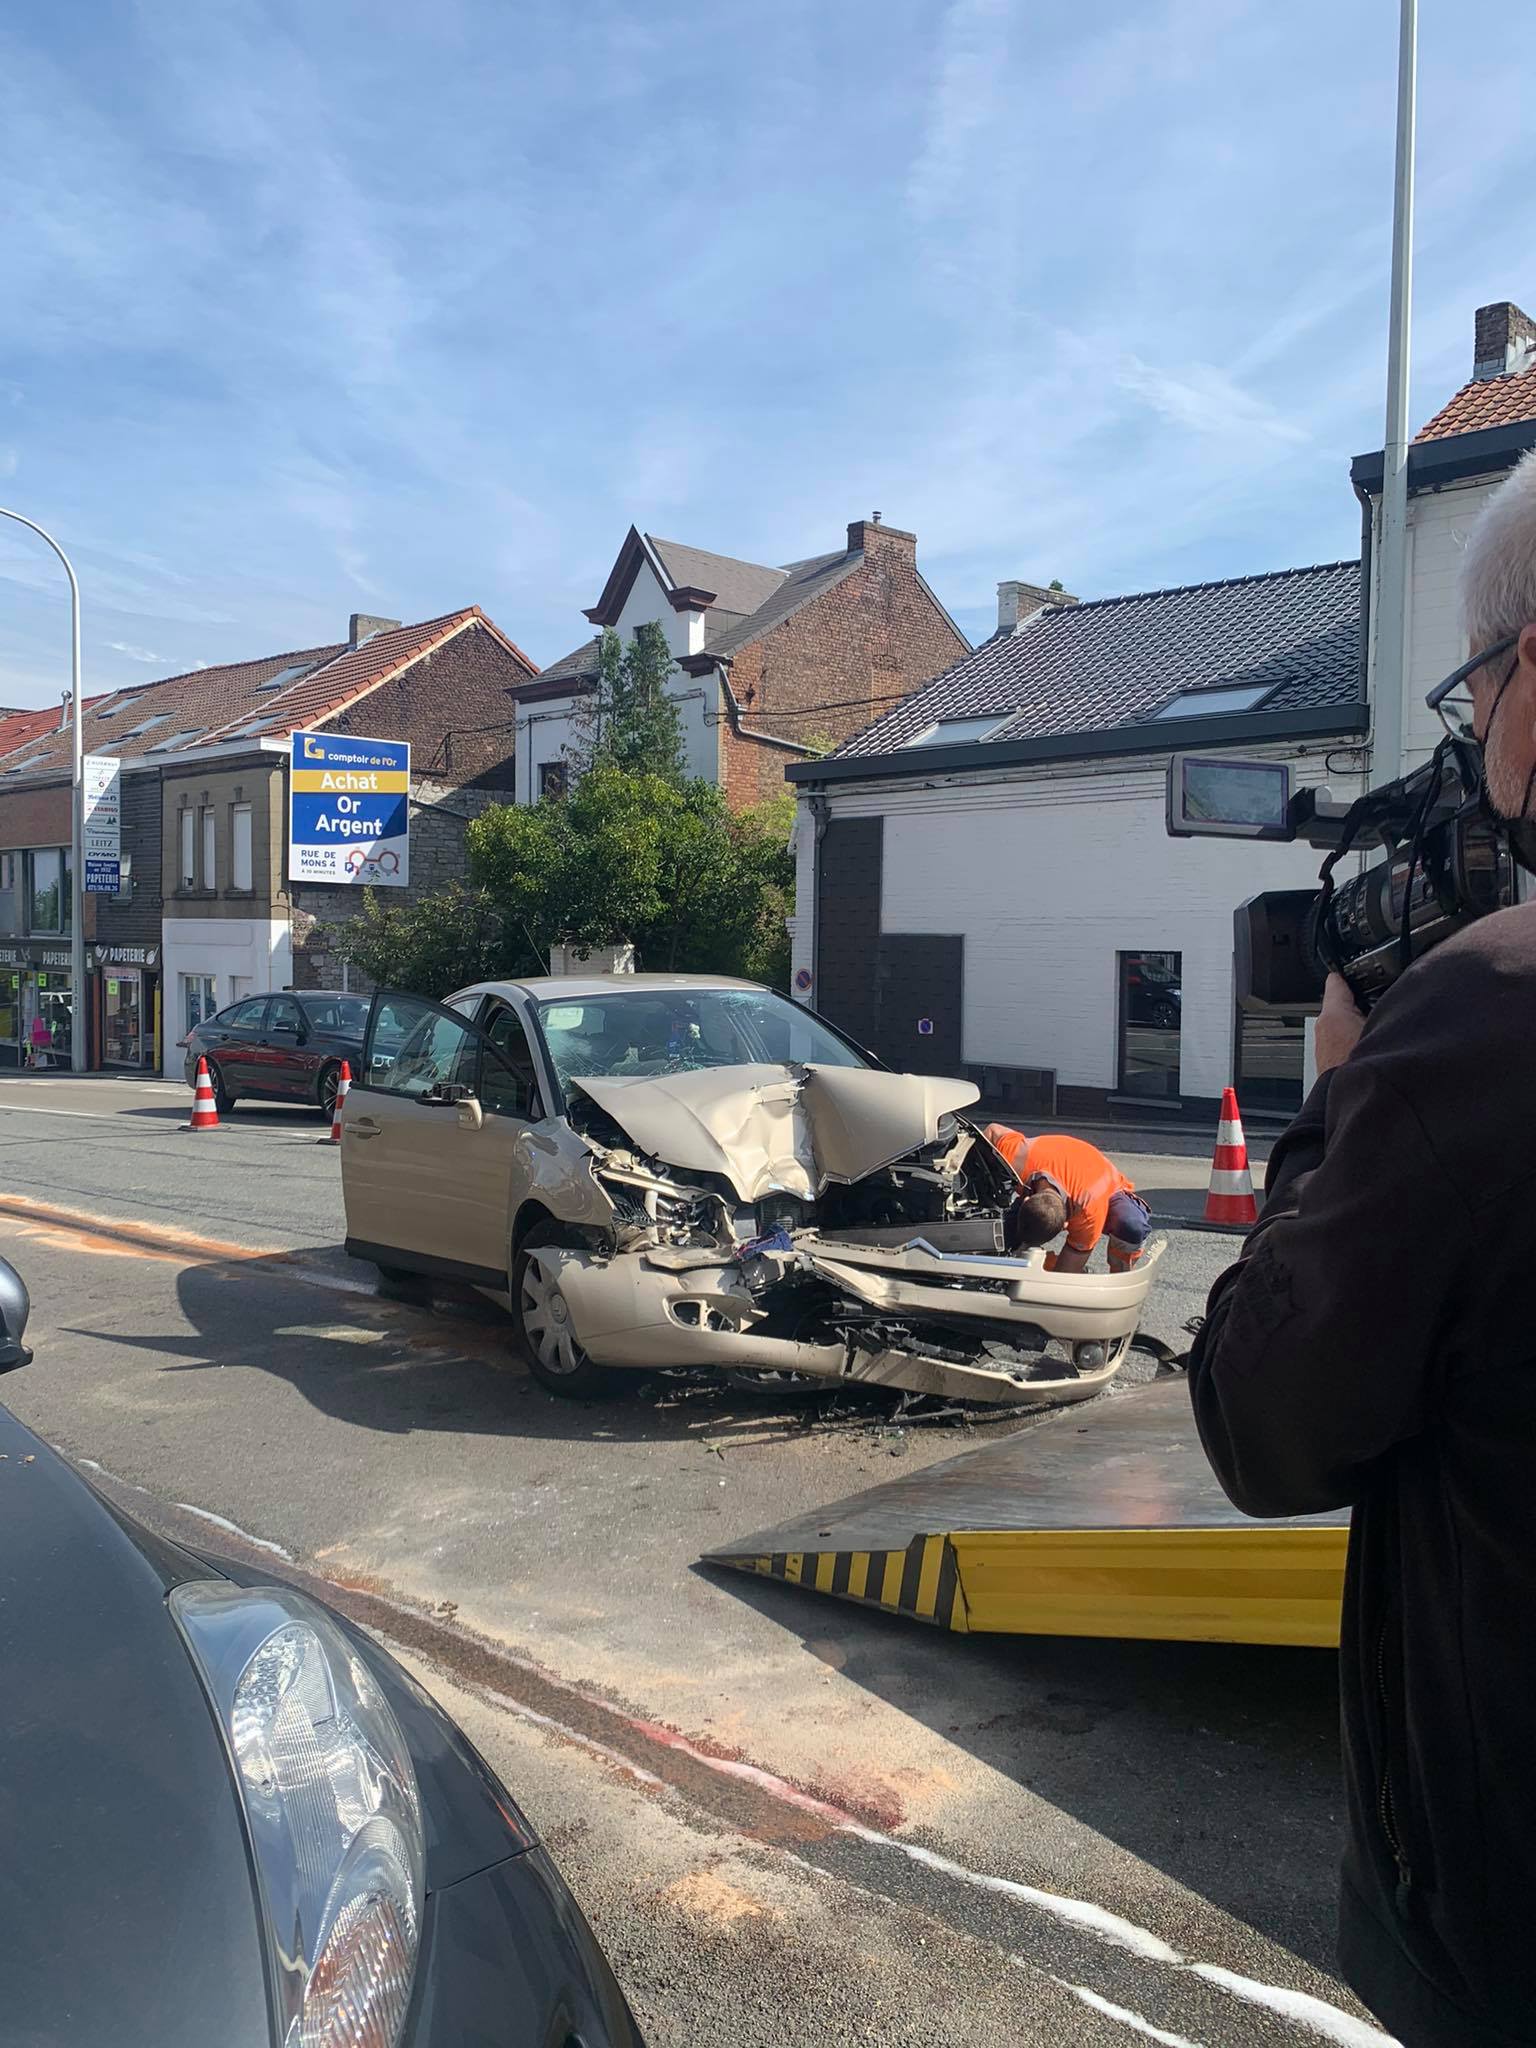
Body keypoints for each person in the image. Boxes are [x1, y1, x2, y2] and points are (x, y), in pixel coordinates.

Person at [1186, 449, 1536, 2048]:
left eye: (1473, 700)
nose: (1475, 754)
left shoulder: (1483, 1024)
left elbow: (1263, 1422)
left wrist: (1344, 1095)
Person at [984, 1124, 1150, 1272]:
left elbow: (1067, 1270)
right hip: (1058, 1165)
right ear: (1026, 1200)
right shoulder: (1015, 1158)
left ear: (1066, 1225)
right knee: (997, 1236)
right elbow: (992, 1131)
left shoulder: (1088, 1212)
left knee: (1130, 1225)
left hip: (1108, 1189)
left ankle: (1119, 1276)